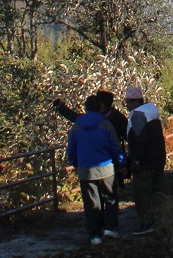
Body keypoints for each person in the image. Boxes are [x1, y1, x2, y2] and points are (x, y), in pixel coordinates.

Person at [66, 93, 123, 244]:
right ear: (100, 107)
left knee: (91, 203)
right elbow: (115, 146)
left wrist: (75, 163)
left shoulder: (77, 125)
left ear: (85, 108)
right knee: (110, 198)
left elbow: (71, 147)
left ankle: (95, 235)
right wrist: (121, 162)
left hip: (86, 170)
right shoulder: (106, 124)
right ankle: (110, 228)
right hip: (106, 169)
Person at [123, 84, 166, 232]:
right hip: (158, 159)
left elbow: (140, 139)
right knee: (157, 192)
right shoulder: (152, 113)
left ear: (135, 101)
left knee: (143, 193)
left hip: (145, 163)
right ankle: (161, 221)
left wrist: (136, 160)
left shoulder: (138, 115)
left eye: (127, 102)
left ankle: (148, 223)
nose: (126, 105)